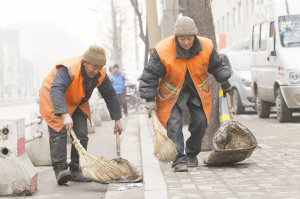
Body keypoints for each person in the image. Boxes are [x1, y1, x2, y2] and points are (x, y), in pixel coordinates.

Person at [139, 16, 231, 172]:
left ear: (195, 36)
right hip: (171, 93)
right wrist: (149, 98)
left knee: (201, 121)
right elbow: (150, 75)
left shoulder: (206, 46)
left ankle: (191, 154)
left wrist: (225, 82)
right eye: (182, 38)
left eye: (189, 38)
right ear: (176, 37)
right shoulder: (163, 50)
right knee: (174, 124)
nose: (186, 42)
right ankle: (179, 160)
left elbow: (217, 66)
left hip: (197, 91)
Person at [39, 45, 123, 185]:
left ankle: (76, 170)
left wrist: (117, 120)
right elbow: (57, 89)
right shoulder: (69, 69)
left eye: (99, 68)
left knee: (82, 134)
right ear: (85, 62)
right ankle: (60, 170)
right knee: (58, 132)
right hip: (53, 96)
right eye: (93, 67)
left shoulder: (100, 73)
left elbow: (110, 95)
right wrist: (65, 114)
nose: (96, 71)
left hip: (76, 99)